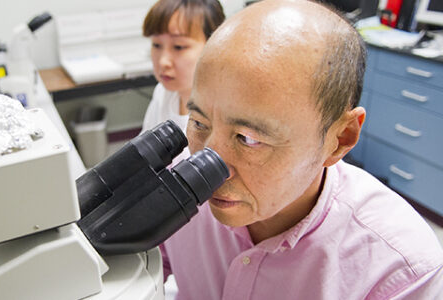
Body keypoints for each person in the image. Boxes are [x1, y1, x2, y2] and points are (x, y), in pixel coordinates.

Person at [160, 0, 443, 299]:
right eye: (200, 123)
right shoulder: (174, 176)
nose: (206, 166)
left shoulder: (400, 270)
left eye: (248, 138)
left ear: (341, 138)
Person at [140, 0, 225, 163]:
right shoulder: (163, 93)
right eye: (156, 45)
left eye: (178, 47)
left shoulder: (224, 112)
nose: (163, 61)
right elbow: (143, 158)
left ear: (214, 45)